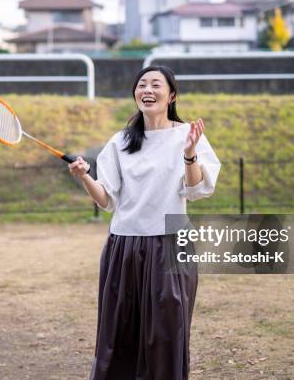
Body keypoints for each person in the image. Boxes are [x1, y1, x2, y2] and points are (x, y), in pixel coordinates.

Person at [68, 66, 221, 380]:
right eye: (141, 85)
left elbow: (195, 189)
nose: (147, 90)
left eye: (156, 84)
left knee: (168, 332)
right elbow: (106, 199)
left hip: (171, 243)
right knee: (120, 333)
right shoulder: (121, 141)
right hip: (124, 245)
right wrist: (85, 176)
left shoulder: (187, 135)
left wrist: (190, 155)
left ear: (172, 95)